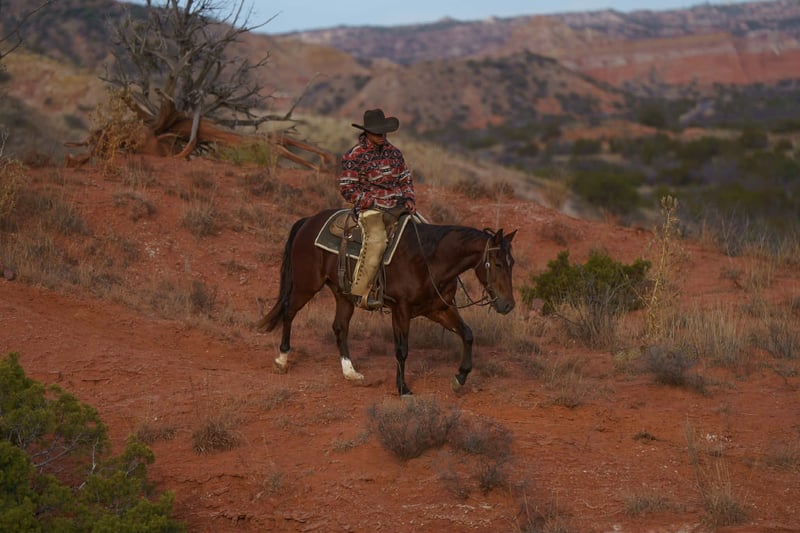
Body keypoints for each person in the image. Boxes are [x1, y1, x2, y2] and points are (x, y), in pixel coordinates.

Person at [339, 108, 416, 310]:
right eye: (377, 132)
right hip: (370, 211)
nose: (382, 135)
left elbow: (405, 179)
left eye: (384, 132)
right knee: (377, 242)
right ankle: (360, 293)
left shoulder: (395, 153)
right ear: (367, 132)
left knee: (423, 232)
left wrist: (409, 197)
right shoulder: (354, 155)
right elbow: (347, 189)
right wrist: (371, 202)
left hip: (398, 207)